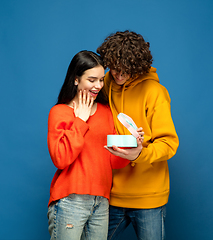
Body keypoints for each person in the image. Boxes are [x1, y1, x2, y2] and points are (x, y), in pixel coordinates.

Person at [47, 50, 143, 240]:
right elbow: (61, 159)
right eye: (92, 80)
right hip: (70, 200)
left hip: (102, 201)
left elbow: (112, 160)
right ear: (76, 80)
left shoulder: (106, 112)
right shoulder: (59, 112)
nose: (98, 85)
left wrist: (132, 147)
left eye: (101, 79)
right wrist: (81, 121)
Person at [97, 30, 179, 240]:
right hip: (111, 194)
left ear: (137, 65)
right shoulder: (105, 84)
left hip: (148, 197)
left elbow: (169, 144)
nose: (118, 74)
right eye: (114, 68)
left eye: (125, 70)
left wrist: (139, 154)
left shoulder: (155, 92)